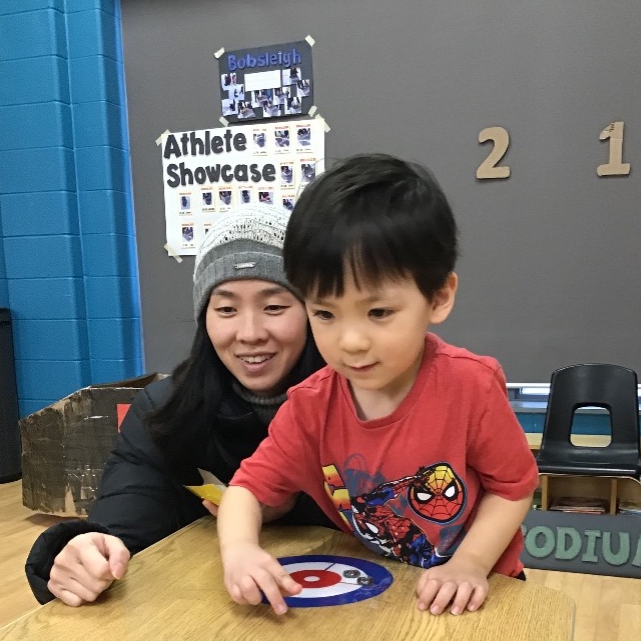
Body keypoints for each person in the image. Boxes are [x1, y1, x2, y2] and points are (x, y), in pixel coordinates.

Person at [217, 154, 540, 617]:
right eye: (324, 314)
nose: (350, 342)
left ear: (439, 296)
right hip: (389, 596)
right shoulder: (310, 406)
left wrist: (469, 563)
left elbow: (513, 488)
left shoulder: (470, 386)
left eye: (379, 312)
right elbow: (245, 491)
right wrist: (240, 551)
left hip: (484, 589)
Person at [25, 204, 335, 607]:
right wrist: (81, 552)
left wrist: (297, 504)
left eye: (274, 306)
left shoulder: (356, 403)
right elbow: (123, 526)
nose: (250, 333)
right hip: (209, 617)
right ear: (204, 317)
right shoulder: (166, 413)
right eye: (225, 308)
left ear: (312, 312)